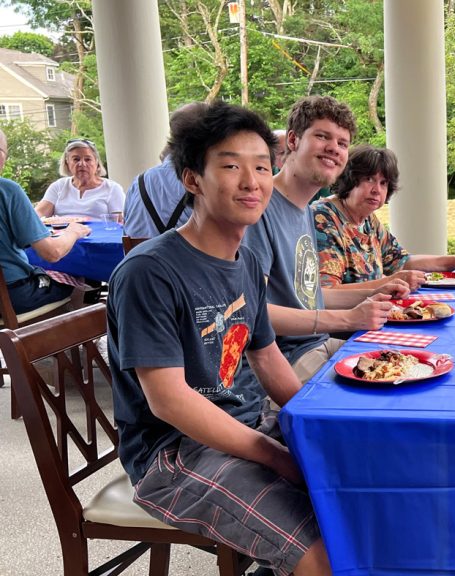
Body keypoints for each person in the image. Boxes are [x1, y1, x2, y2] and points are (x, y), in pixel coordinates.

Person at [106, 101, 330, 574]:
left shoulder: (247, 262)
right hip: (172, 453)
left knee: (358, 499)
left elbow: (267, 357)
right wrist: (277, 455)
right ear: (192, 179)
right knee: (323, 551)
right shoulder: (149, 272)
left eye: (263, 167)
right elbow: (169, 402)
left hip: (245, 424)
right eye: (230, 166)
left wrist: (317, 423)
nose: (252, 182)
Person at [242, 96, 408, 382]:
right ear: (293, 140)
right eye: (322, 136)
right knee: (391, 398)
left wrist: (381, 290)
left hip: (317, 344)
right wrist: (349, 318)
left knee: (418, 363)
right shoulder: (259, 209)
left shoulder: (304, 210)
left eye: (342, 143)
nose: (334, 148)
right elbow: (250, 313)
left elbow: (310, 297)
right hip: (281, 362)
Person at [312, 145, 455, 292]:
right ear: (348, 180)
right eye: (369, 179)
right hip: (342, 327)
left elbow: (401, 261)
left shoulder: (367, 221)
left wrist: (454, 262)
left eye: (384, 183)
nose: (377, 190)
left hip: (373, 316)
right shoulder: (324, 219)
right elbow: (325, 292)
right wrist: (389, 282)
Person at [0, 127, 91, 315]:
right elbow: (52, 253)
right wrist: (73, 231)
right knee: (75, 279)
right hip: (12, 296)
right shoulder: (7, 191)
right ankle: (63, 341)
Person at [123, 104, 203, 237]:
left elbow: (126, 232)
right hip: (185, 256)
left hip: (141, 256)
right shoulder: (204, 182)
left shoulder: (139, 182)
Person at [34, 138, 124, 220]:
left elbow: (119, 222)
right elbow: (40, 213)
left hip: (99, 236)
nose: (82, 164)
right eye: (76, 159)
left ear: (96, 162)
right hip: (63, 236)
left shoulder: (112, 188)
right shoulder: (58, 186)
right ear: (67, 163)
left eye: (88, 159)